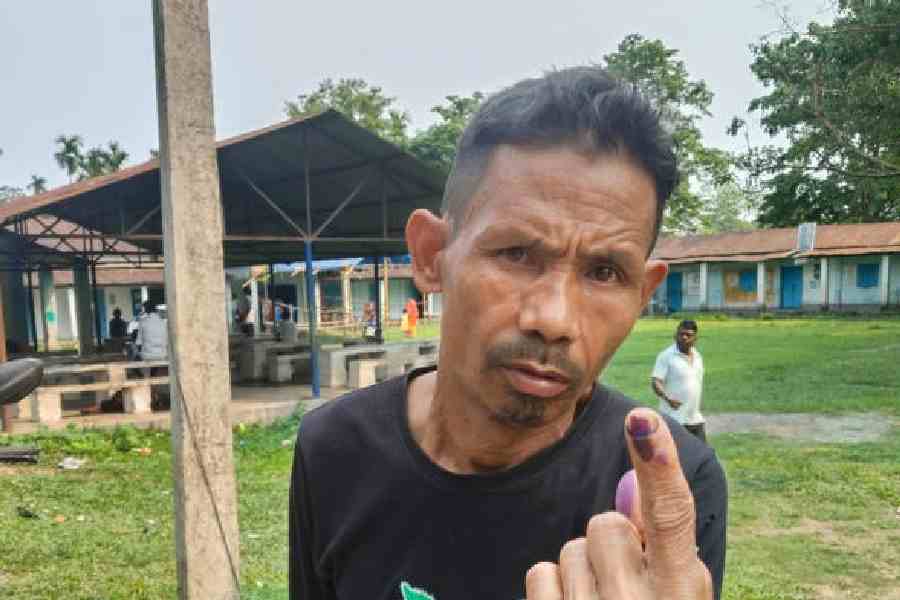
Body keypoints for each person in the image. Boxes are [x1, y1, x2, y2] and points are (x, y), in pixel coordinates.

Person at [289, 67, 727, 600]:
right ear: (432, 256)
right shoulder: (333, 448)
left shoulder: (668, 493)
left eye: (604, 273)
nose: (555, 319)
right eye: (516, 254)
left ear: (641, 293)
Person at [652, 320, 706, 443]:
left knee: (703, 457)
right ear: (675, 335)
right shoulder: (666, 356)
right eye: (681, 334)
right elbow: (655, 382)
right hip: (674, 420)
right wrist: (667, 398)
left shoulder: (698, 357)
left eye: (688, 335)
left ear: (695, 338)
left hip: (695, 418)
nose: (684, 337)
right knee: (678, 459)